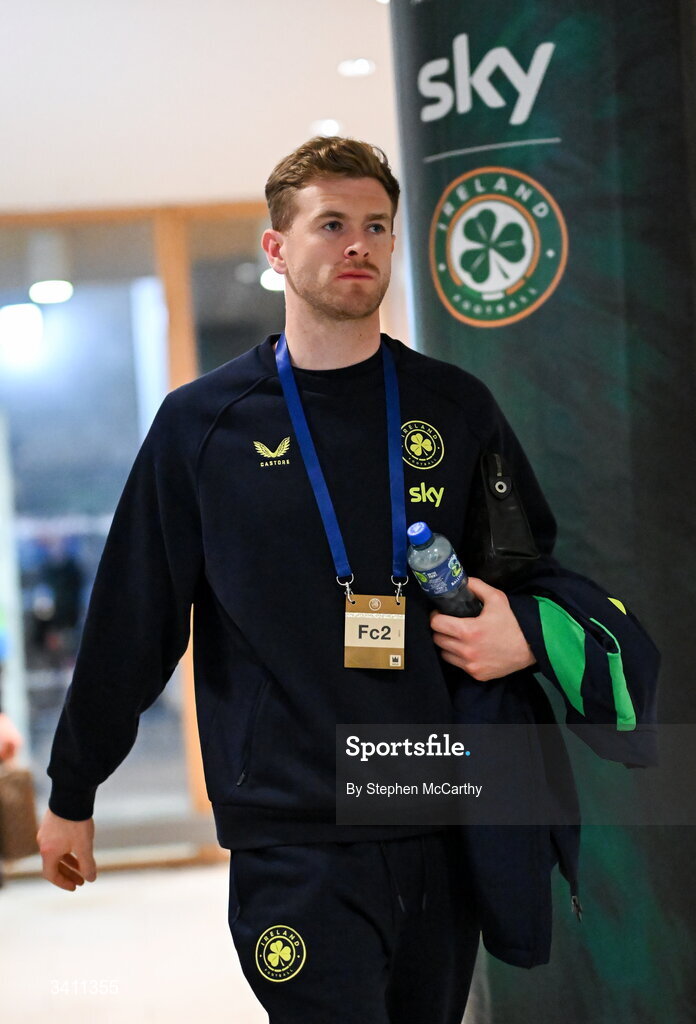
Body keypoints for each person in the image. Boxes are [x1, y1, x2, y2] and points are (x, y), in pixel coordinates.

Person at [37, 137, 553, 1023]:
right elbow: (134, 617)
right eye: (332, 224)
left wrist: (527, 632)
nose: (359, 244)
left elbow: (529, 574)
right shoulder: (203, 426)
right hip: (291, 830)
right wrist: (74, 788)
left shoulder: (457, 408)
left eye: (377, 227)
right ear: (276, 249)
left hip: (431, 806)